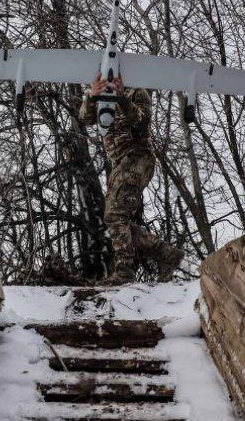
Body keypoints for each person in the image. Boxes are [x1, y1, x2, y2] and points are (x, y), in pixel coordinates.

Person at [79, 73, 184, 284]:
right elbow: (85, 118)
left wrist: (122, 98)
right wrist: (92, 96)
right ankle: (166, 252)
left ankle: (125, 273)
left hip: (137, 156)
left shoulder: (137, 91)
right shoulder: (102, 95)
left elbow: (142, 122)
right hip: (119, 162)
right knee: (117, 219)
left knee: (115, 215)